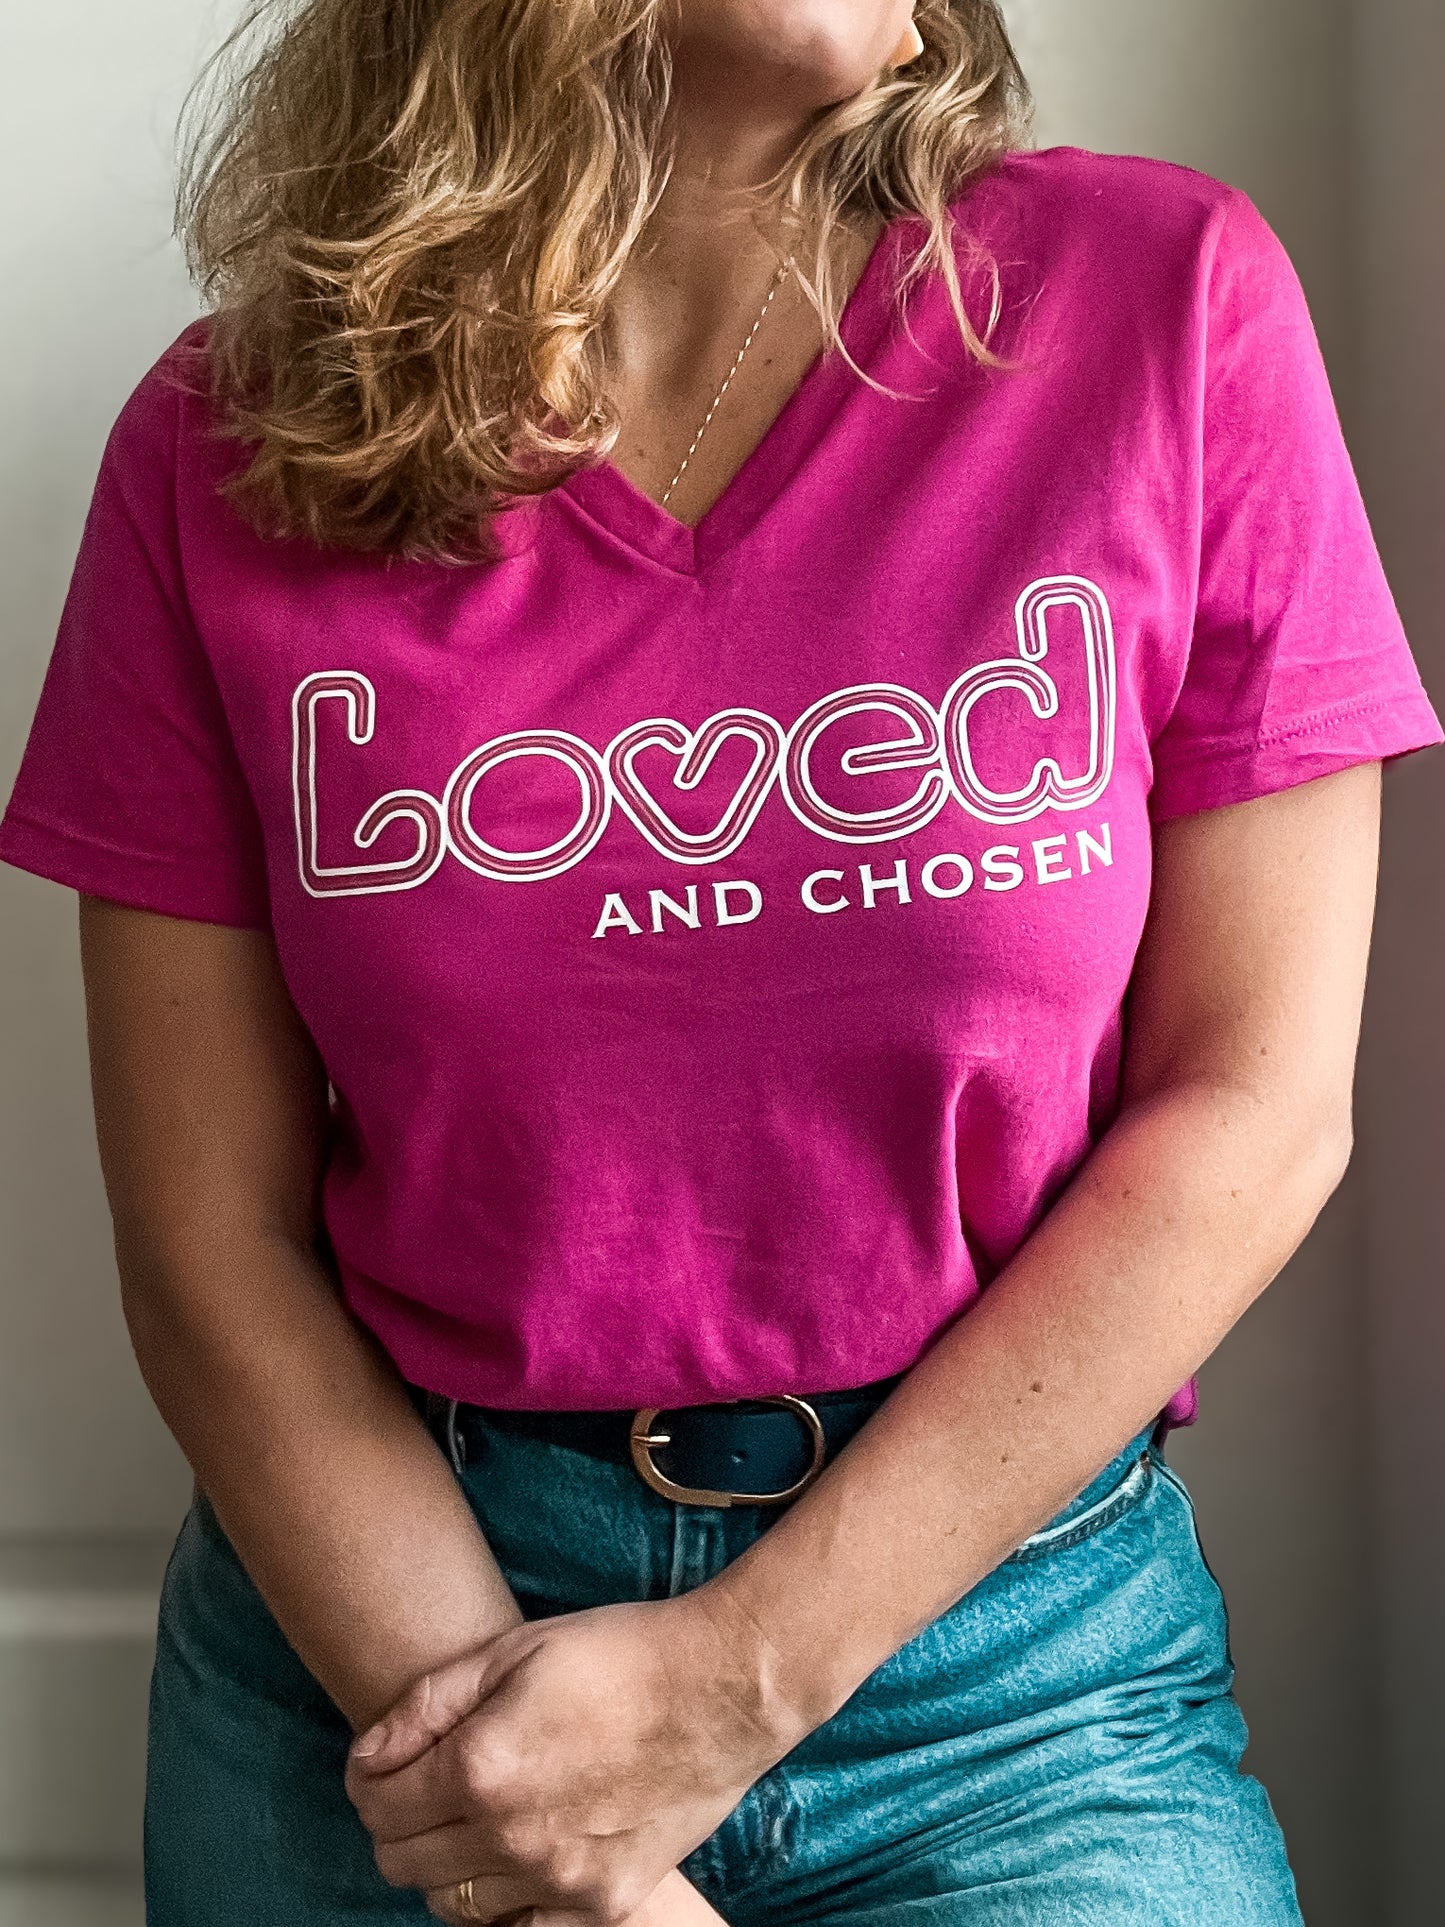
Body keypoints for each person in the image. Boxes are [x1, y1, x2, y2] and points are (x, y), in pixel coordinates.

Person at [2, 0, 1440, 1921]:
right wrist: (529, 1818)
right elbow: (207, 1241)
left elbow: (1252, 1112)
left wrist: (736, 1678)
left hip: (999, 1676)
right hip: (393, 1656)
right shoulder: (226, 447)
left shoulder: (1160, 307)